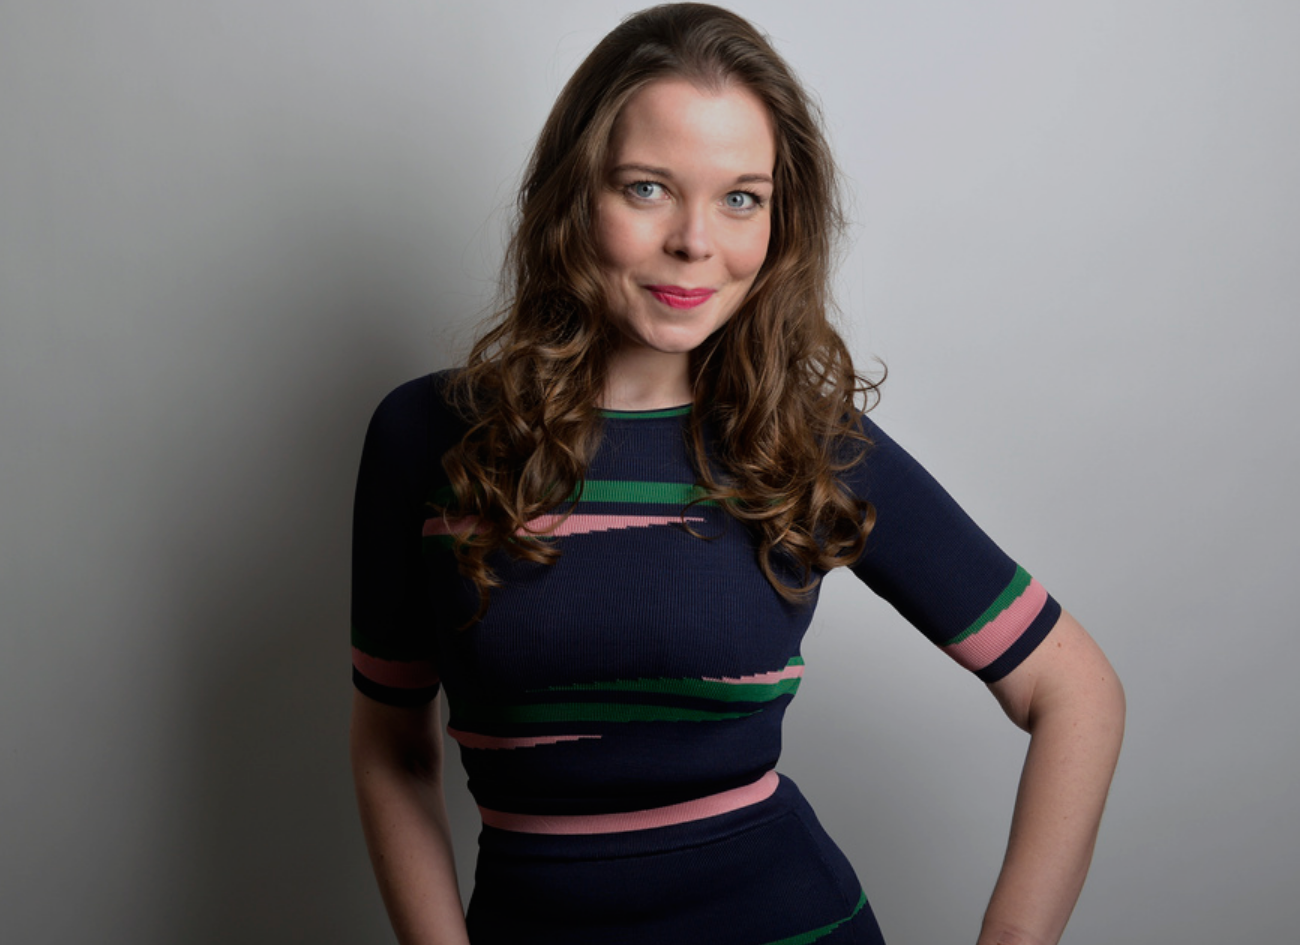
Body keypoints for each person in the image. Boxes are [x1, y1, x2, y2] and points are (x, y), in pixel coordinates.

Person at [348, 5, 1126, 943]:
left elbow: (1074, 689)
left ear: (778, 219)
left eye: (741, 198)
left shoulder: (804, 445)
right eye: (646, 188)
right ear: (573, 194)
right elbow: (393, 747)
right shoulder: (426, 437)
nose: (694, 241)